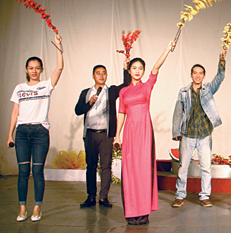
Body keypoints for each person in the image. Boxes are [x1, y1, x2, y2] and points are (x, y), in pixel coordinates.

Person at [113, 40, 175, 225]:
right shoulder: (123, 91)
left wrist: (166, 49)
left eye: (140, 68)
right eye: (134, 68)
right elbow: (121, 114)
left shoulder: (147, 86)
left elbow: (156, 67)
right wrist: (117, 135)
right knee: (130, 171)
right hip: (130, 132)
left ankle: (144, 211)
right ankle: (132, 212)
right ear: (129, 71)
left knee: (143, 170)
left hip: (145, 132)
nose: (138, 71)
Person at [7, 34, 64, 222]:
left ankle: (37, 207)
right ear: (26, 69)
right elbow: (15, 112)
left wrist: (58, 45)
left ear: (41, 70)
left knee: (38, 171)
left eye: (37, 68)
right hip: (22, 132)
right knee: (23, 172)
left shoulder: (46, 86)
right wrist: (10, 135)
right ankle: (22, 208)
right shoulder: (19, 88)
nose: (34, 71)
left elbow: (60, 67)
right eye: (31, 68)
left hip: (40, 132)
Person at [171, 49, 227, 208]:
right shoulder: (183, 92)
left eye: (200, 73)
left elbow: (220, 77)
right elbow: (177, 113)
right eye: (195, 73)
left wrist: (222, 60)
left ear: (203, 76)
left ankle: (204, 196)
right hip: (188, 134)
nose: (197, 76)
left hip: (204, 134)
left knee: (206, 167)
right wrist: (176, 132)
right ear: (191, 75)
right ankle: (180, 196)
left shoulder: (208, 89)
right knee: (183, 167)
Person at [75, 59, 130, 208]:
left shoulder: (111, 91)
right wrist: (89, 104)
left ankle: (103, 197)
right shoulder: (86, 93)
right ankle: (91, 196)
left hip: (106, 135)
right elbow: (78, 110)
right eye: (98, 73)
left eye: (103, 73)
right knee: (91, 166)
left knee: (106, 166)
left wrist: (126, 68)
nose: (101, 76)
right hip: (90, 134)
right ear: (93, 76)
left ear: (106, 76)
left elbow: (126, 85)